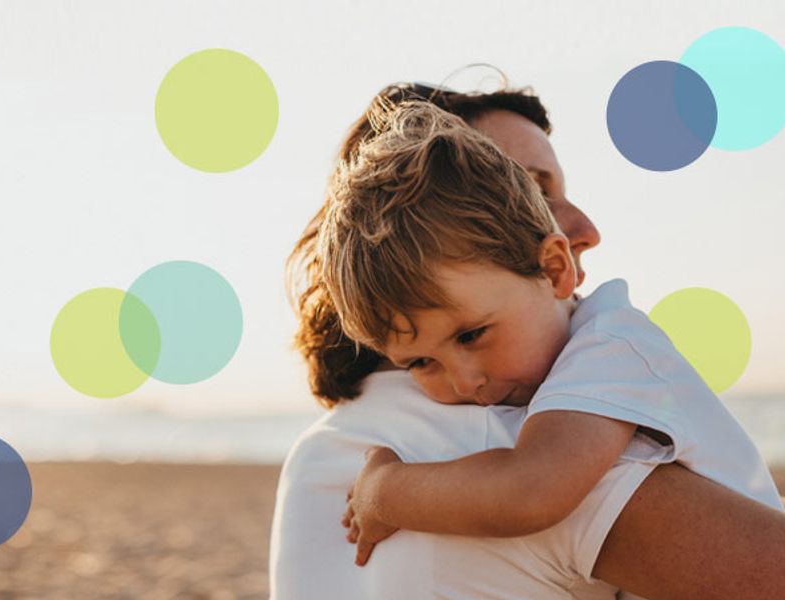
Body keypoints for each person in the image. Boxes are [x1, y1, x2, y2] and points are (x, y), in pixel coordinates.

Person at [270, 80, 785, 600]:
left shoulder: (323, 453)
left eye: (472, 335)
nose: (464, 380)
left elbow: (531, 486)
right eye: (532, 190)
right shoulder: (498, 432)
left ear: (552, 267)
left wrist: (385, 491)